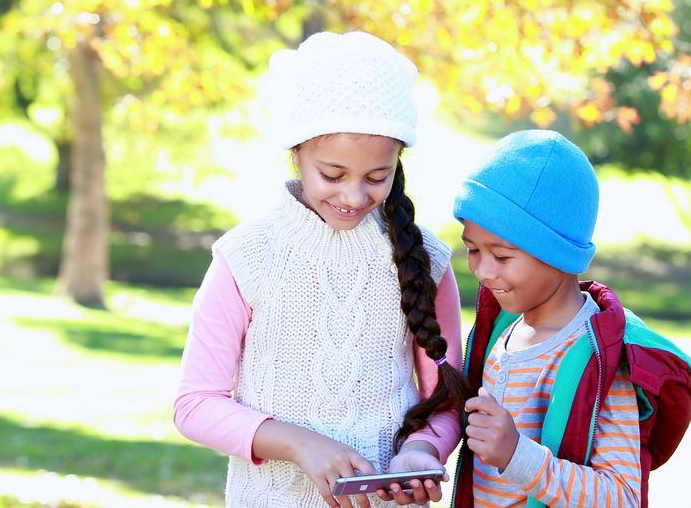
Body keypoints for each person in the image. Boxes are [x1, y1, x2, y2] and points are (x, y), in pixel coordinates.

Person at [174, 31, 471, 508]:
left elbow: (446, 403)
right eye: (332, 175)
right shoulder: (246, 258)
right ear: (296, 152)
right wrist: (299, 444)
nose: (353, 197)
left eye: (378, 177)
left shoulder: (425, 261)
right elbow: (195, 404)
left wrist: (422, 449)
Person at [449, 130, 691, 508]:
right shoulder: (500, 331)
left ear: (559, 254)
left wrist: (517, 455)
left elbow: (623, 496)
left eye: (502, 256)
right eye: (472, 249)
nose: (483, 271)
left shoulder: (602, 360)